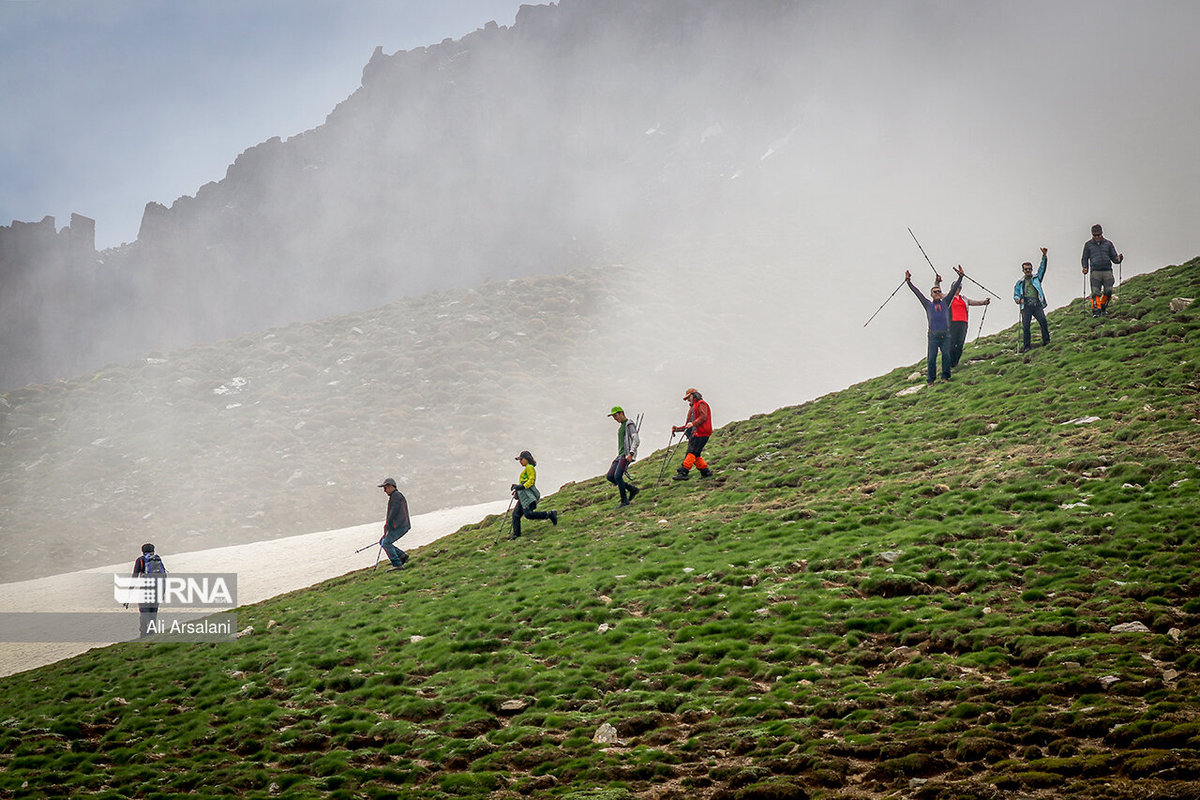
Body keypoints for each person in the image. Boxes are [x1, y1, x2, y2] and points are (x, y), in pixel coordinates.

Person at [906, 265, 965, 385]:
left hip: (946, 335)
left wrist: (960, 277)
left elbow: (953, 289)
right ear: (931, 294)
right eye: (935, 292)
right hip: (933, 336)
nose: (938, 293)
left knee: (946, 356)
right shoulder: (928, 305)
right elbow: (917, 293)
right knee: (931, 358)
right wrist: (909, 282)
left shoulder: (945, 302)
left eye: (939, 291)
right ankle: (931, 381)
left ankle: (945, 377)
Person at [509, 450, 558, 538]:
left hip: (527, 496)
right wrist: (518, 488)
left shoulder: (530, 468)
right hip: (523, 496)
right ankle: (516, 534)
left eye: (521, 459)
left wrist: (521, 487)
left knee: (528, 514)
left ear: (526, 459)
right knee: (516, 514)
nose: (520, 461)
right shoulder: (527, 468)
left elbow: (531, 481)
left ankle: (550, 514)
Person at [1013, 248, 1050, 352]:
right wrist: (1018, 300)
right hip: (1026, 306)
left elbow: (1042, 269)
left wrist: (1044, 257)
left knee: (1043, 321)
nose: (1028, 271)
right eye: (1026, 269)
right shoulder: (1019, 283)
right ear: (1023, 270)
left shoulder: (1037, 278)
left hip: (1036, 304)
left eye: (1029, 269)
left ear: (1031, 269)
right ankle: (1027, 347)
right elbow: (1015, 295)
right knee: (1026, 327)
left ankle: (1046, 342)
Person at [1082, 224, 1123, 317]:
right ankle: (1096, 311)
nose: (1097, 237)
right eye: (1095, 235)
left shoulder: (1108, 244)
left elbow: (1114, 258)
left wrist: (1119, 259)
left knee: (1108, 291)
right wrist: (1085, 268)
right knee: (1095, 292)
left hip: (1107, 271)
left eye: (1098, 235)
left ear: (1102, 233)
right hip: (1095, 272)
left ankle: (1103, 306)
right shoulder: (1088, 245)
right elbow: (1084, 258)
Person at [672, 388, 713, 480]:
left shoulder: (701, 404)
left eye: (688, 397)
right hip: (697, 433)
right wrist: (677, 429)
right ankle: (706, 472)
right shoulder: (693, 407)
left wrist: (693, 424)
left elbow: (703, 417)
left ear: (694, 395)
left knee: (691, 452)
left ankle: (684, 472)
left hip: (701, 433)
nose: (687, 400)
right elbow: (688, 425)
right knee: (696, 454)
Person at [947, 286, 990, 369]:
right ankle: (950, 363)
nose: (957, 289)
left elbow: (974, 302)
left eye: (959, 288)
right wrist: (937, 283)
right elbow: (939, 294)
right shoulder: (948, 297)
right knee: (952, 343)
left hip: (963, 323)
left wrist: (985, 302)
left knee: (960, 343)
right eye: (956, 288)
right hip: (952, 323)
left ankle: (955, 363)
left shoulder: (964, 298)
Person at [606, 406, 640, 507]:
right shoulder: (621, 427)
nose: (615, 418)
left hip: (626, 455)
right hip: (620, 455)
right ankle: (632, 489)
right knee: (610, 476)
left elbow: (636, 439)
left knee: (617, 476)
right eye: (613, 417)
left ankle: (624, 500)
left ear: (622, 413)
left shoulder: (629, 424)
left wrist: (631, 453)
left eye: (616, 416)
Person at [130, 543, 166, 637]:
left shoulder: (140, 560)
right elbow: (164, 576)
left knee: (144, 613)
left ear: (142, 551)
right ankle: (152, 634)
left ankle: (143, 634)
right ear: (153, 550)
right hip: (157, 590)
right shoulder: (158, 559)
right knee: (153, 613)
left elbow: (135, 576)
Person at [378, 477, 411, 570]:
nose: (384, 491)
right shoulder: (396, 496)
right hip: (401, 525)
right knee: (383, 541)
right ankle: (402, 556)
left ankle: (397, 564)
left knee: (386, 543)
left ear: (392, 486)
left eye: (385, 488)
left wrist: (388, 525)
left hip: (400, 525)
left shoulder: (396, 496)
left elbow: (393, 512)